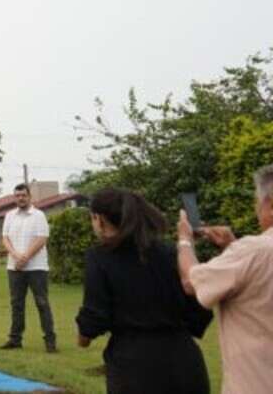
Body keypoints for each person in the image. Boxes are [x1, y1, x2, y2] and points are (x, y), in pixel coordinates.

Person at [76, 189, 211, 394]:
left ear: (99, 219)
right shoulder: (172, 253)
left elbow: (94, 315)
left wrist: (83, 338)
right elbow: (199, 309)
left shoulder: (100, 257)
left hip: (134, 365)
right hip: (184, 360)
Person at [177, 164, 273, 394]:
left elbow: (191, 282)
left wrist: (184, 240)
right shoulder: (252, 252)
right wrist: (232, 246)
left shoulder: (254, 250)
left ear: (270, 205)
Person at [0, 183, 57, 353]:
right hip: (14, 267)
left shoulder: (38, 215)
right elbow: (5, 238)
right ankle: (15, 339)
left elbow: (42, 238)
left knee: (42, 303)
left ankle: (50, 341)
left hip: (37, 267)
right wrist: (16, 256)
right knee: (16, 304)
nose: (20, 198)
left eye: (23, 195)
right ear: (14, 197)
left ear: (30, 196)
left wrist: (26, 257)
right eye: (17, 196)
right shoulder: (9, 216)